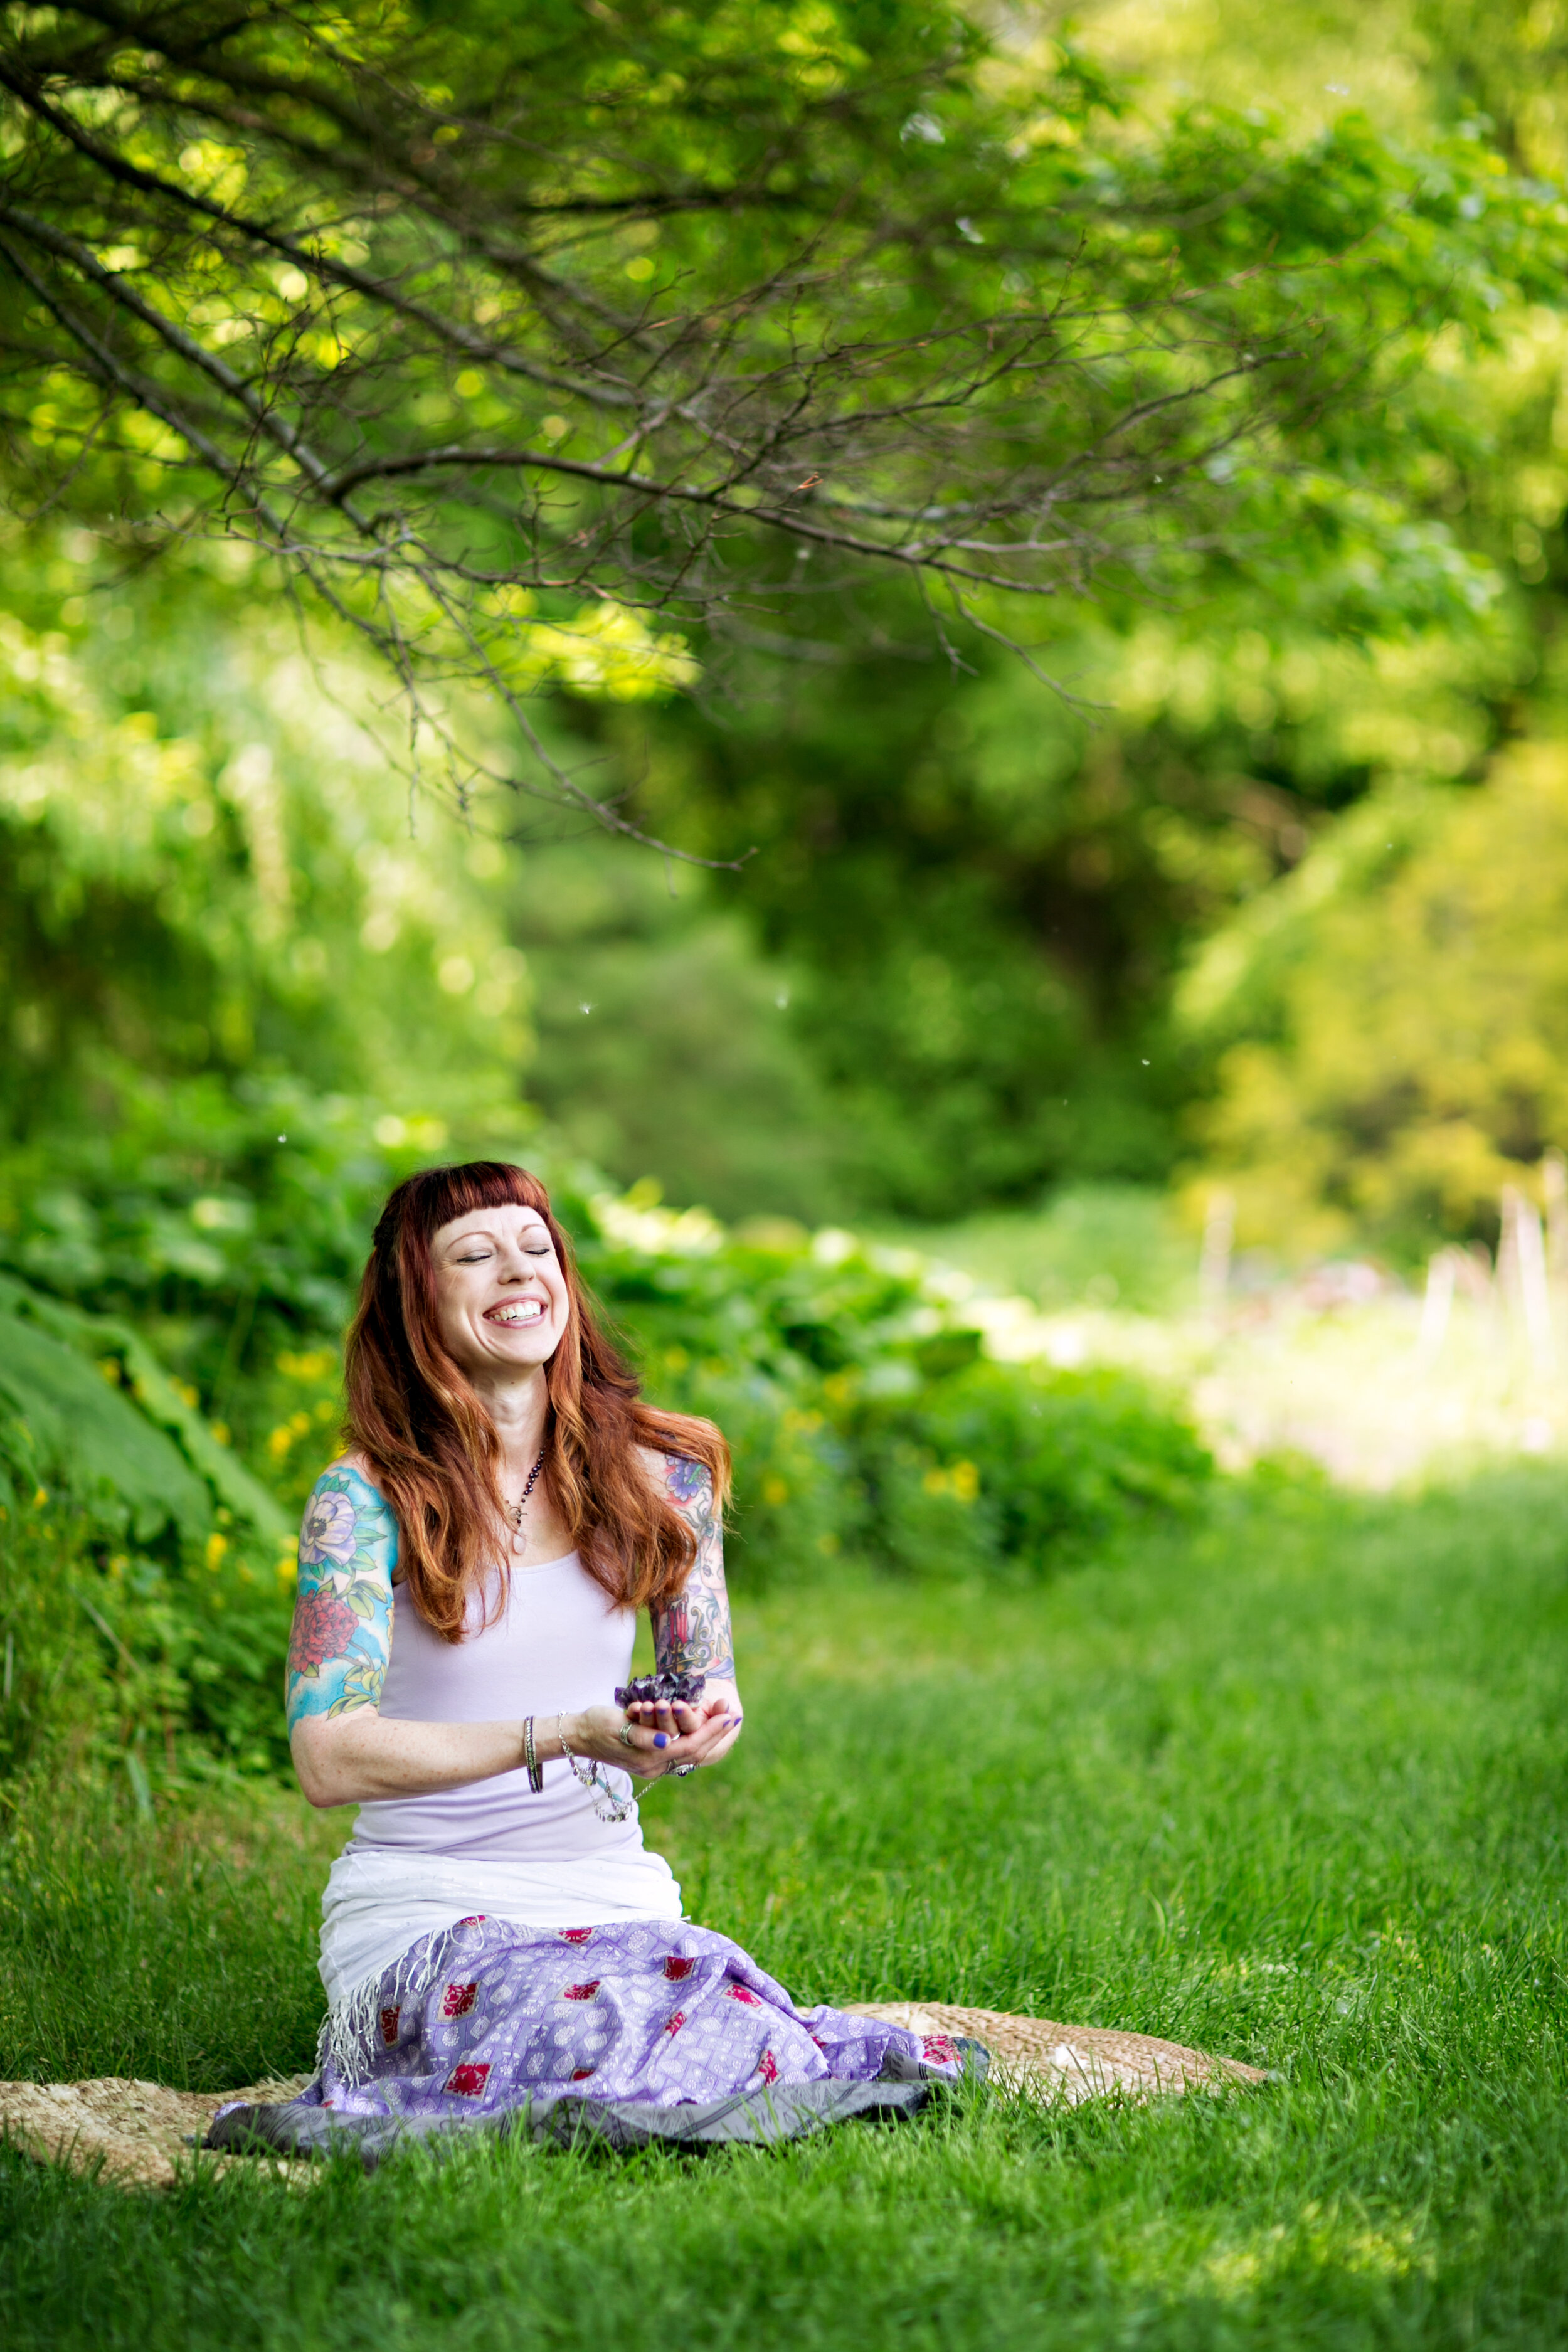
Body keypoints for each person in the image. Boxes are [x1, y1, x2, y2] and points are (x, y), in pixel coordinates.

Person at [209, 1161, 976, 2158]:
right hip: (431, 1911)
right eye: (474, 1256)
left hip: (614, 1897)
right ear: (415, 1302)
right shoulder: (363, 1502)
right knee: (590, 2034)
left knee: (730, 2028)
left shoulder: (665, 1474)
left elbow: (713, 1690)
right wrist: (565, 1733)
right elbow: (327, 1757)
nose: (516, 1273)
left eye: (537, 1249)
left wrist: (691, 1731)